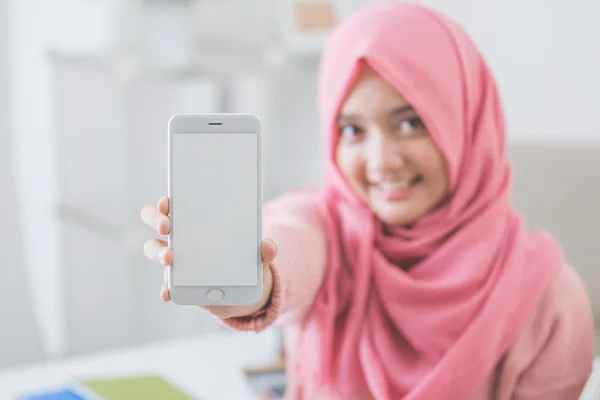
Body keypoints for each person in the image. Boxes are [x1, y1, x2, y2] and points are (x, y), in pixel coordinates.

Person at [140, 2, 596, 399]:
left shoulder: (550, 302)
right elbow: (292, 240)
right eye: (353, 130)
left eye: (411, 122)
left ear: (468, 122)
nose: (382, 162)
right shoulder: (330, 230)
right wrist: (252, 285)